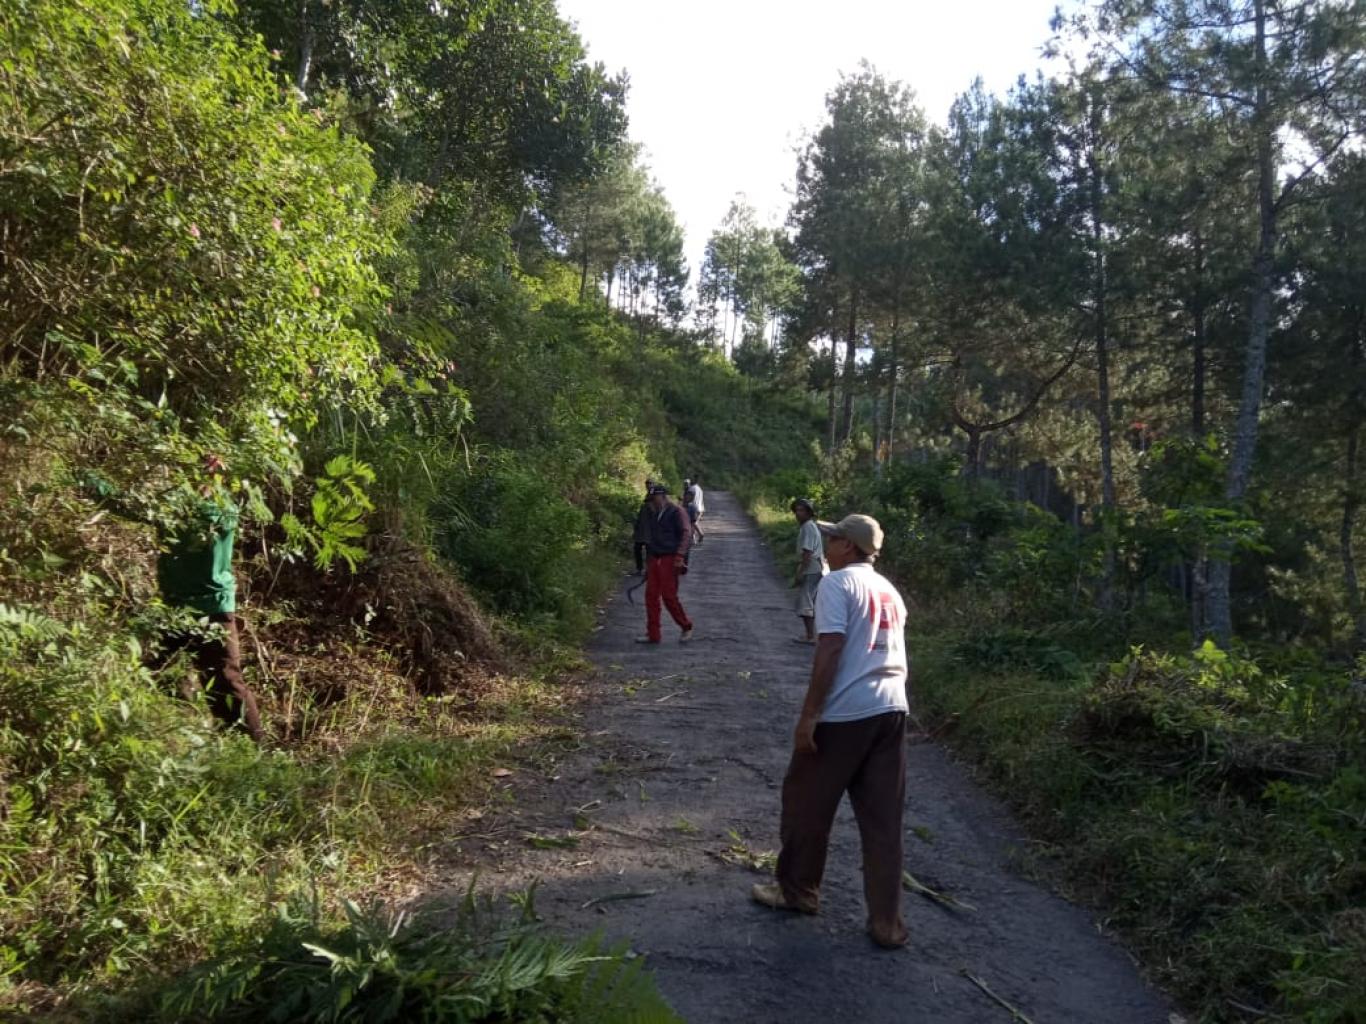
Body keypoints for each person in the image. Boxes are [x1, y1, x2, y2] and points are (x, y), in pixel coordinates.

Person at [751, 513, 909, 949]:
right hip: (891, 710)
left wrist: (809, 716)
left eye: (835, 537)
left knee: (805, 803)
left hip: (846, 715)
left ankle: (799, 892)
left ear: (849, 548)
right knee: (883, 823)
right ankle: (887, 924)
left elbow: (831, 648)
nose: (829, 543)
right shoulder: (889, 590)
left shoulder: (836, 585)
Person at [84, 454, 264, 742]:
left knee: (226, 681)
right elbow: (130, 506)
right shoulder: (175, 507)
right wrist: (90, 482)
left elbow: (148, 509)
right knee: (158, 669)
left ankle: (254, 749)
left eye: (205, 472)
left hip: (212, 610)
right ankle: (180, 733)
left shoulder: (220, 509)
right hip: (174, 608)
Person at [636, 484, 693, 644]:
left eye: (652, 499)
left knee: (669, 596)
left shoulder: (677, 512)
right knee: (651, 596)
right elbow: (652, 540)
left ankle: (686, 626)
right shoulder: (654, 514)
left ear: (661, 497)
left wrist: (680, 555)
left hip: (670, 558)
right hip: (655, 558)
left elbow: (686, 533)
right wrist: (649, 563)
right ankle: (653, 634)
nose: (650, 504)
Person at [790, 498, 826, 644]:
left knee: (806, 602)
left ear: (809, 513)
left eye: (802, 510)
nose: (798, 514)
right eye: (797, 510)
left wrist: (801, 571)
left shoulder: (809, 527)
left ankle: (810, 636)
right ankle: (813, 635)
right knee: (811, 601)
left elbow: (807, 552)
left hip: (811, 568)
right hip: (813, 567)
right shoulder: (807, 526)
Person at [687, 475, 706, 545]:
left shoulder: (691, 489)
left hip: (694, 508)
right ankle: (693, 539)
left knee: (692, 523)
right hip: (700, 508)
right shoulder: (700, 489)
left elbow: (689, 499)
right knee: (693, 523)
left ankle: (700, 534)